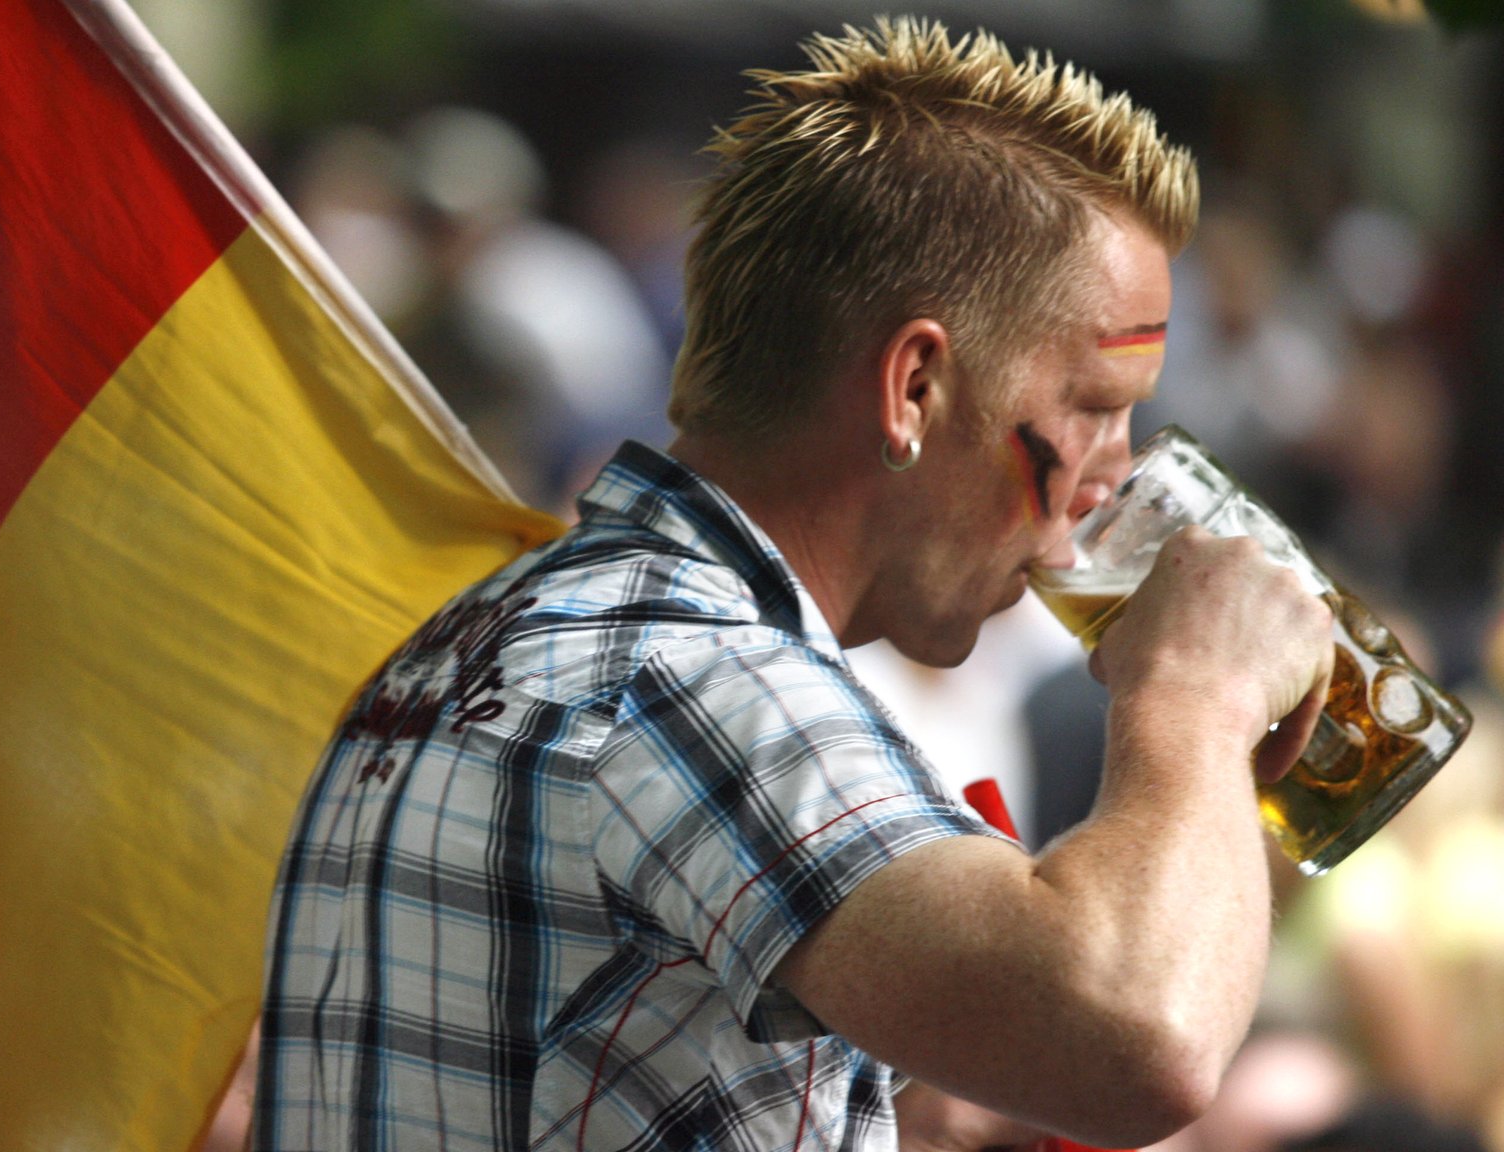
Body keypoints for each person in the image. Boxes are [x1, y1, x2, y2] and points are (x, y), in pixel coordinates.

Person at [252, 18, 1334, 1152]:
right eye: (1095, 406)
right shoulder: (691, 675)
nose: (1112, 474)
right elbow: (1137, 1041)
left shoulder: (483, 635)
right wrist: (1194, 693)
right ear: (913, 388)